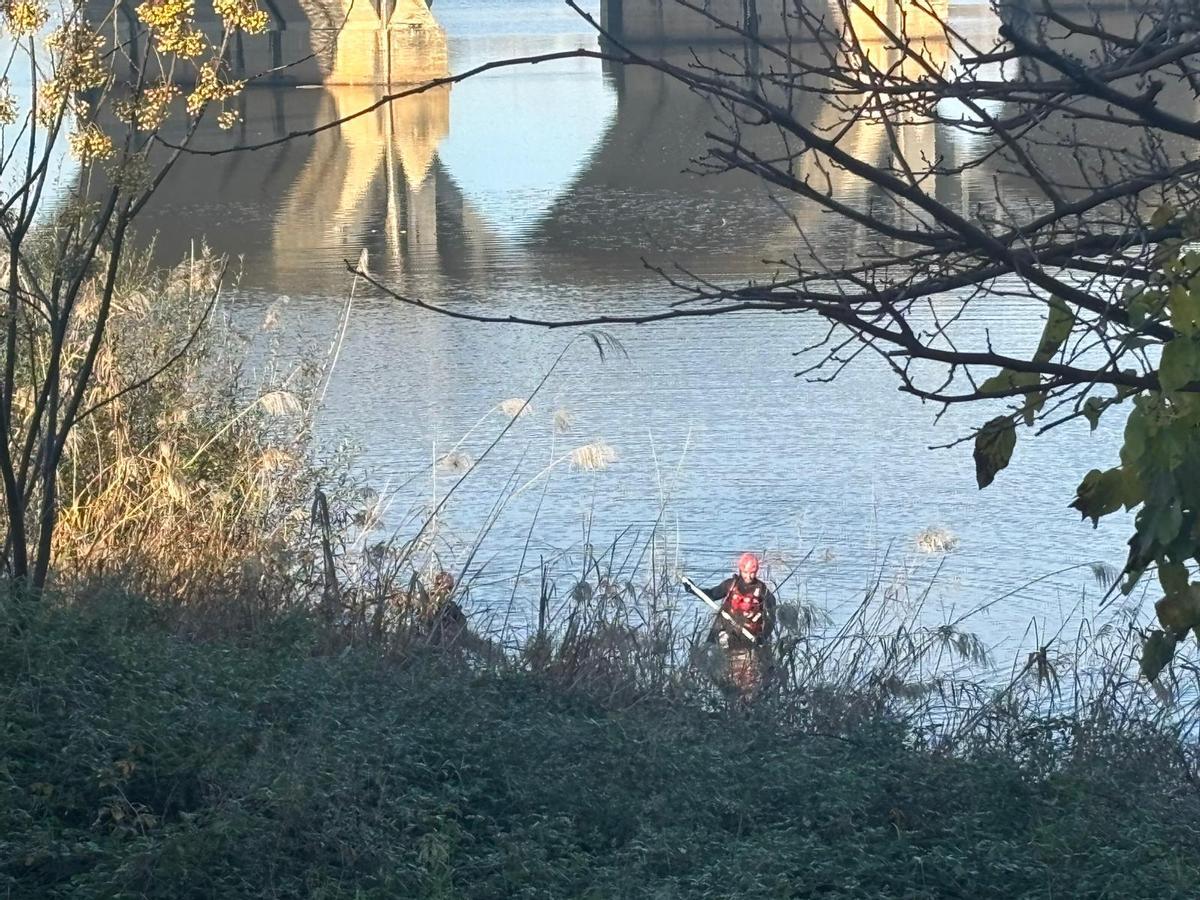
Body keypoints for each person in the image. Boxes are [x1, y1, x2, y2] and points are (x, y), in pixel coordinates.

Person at [702, 552, 777, 700]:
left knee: (748, 685)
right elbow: (711, 594)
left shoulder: (762, 591)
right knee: (730, 683)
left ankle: (747, 707)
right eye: (746, 572)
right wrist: (694, 589)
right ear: (740, 570)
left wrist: (763, 637)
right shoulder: (730, 585)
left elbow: (771, 618)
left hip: (750, 642)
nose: (749, 576)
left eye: (753, 573)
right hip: (729, 641)